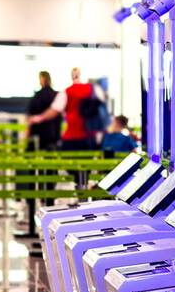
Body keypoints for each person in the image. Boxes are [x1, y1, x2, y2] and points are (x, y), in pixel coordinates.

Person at [16, 71, 62, 239]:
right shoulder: (57, 96)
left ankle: (32, 206)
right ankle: (49, 204)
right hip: (52, 141)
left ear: (41, 80)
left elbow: (29, 120)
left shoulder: (36, 98)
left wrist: (25, 140)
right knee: (50, 173)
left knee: (33, 174)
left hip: (37, 142)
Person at [28, 67, 108, 151]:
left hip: (73, 137)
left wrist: (37, 118)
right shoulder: (94, 89)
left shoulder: (67, 92)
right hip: (92, 137)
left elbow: (54, 111)